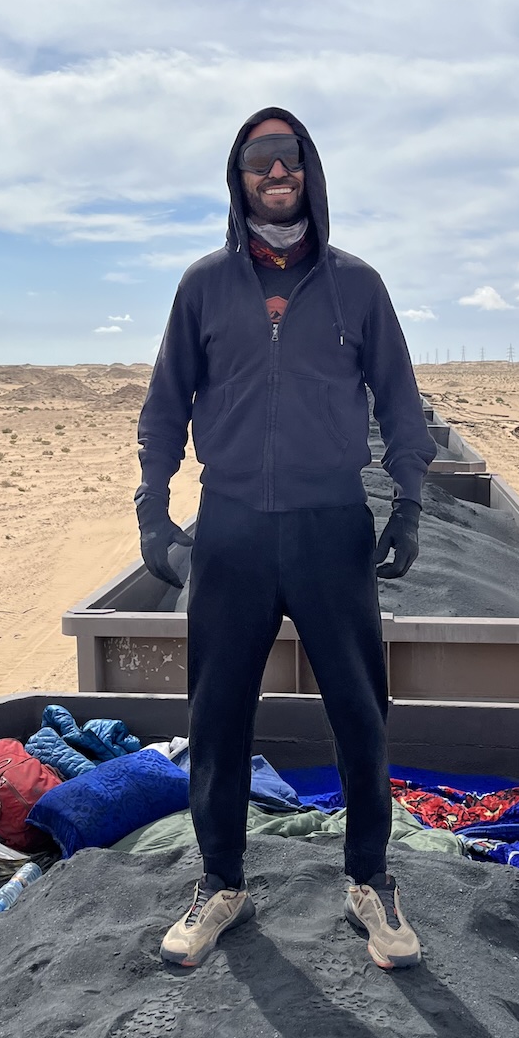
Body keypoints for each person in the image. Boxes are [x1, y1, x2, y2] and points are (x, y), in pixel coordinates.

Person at [135, 110, 435, 970]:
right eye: (260, 162)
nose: (277, 174)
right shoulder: (202, 287)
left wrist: (407, 503)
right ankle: (221, 882)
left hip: (329, 524)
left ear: (311, 172)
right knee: (217, 715)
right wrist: (153, 510)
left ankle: (371, 882)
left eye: (290, 160)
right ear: (238, 178)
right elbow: (165, 406)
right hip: (228, 527)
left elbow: (400, 402)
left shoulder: (357, 287)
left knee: (359, 712)